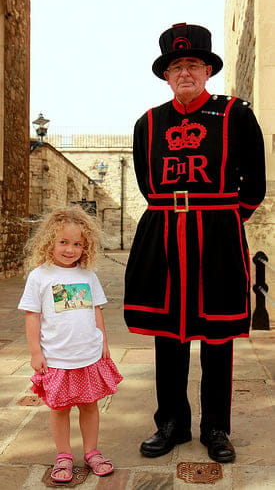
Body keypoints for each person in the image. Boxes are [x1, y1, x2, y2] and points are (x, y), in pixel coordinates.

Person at [124, 23, 266, 463]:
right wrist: (179, 215)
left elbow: (255, 184)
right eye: (176, 66)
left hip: (217, 236)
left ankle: (217, 428)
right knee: (168, 335)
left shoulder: (235, 113)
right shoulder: (148, 123)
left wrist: (222, 221)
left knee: (218, 336)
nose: (184, 72)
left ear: (207, 70)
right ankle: (170, 423)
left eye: (192, 64)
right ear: (166, 75)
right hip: (164, 233)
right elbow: (150, 186)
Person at [18, 206, 123, 482]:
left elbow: (96, 310)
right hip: (56, 358)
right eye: (63, 242)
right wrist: (35, 352)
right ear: (49, 242)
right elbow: (32, 315)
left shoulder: (88, 275)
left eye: (77, 244)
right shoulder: (40, 276)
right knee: (60, 408)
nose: (70, 249)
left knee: (90, 406)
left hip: (88, 355)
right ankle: (63, 455)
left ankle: (91, 452)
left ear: (85, 247)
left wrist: (103, 342)